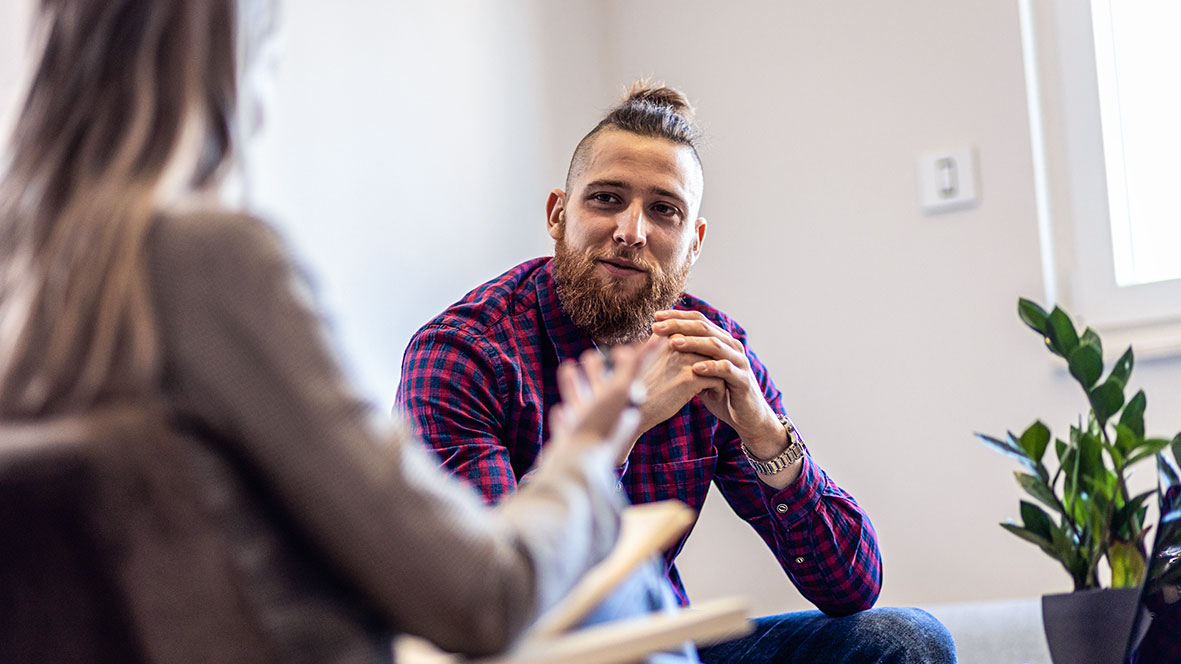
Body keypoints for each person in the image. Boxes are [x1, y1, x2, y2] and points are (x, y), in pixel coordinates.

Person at [0, 1, 657, 662]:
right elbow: (481, 597)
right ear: (231, 64)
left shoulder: (22, 288)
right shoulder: (200, 263)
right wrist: (587, 454)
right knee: (642, 593)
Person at [398, 82, 957, 663]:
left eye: (663, 210)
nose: (631, 231)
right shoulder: (463, 354)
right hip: (536, 653)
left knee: (904, 642)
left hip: (666, 650)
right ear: (558, 215)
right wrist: (617, 435)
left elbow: (851, 587)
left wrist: (767, 436)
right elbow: (495, 609)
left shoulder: (710, 350)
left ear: (693, 243)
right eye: (606, 199)